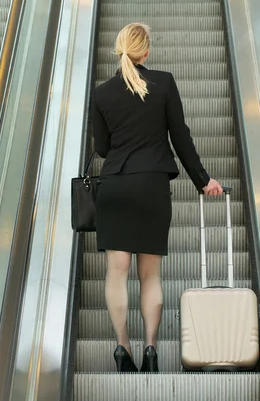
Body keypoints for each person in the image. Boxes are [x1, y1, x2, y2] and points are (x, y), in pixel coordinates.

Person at [91, 23, 224, 373]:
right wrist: (203, 180)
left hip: (116, 186)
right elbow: (180, 137)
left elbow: (102, 148)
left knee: (116, 273)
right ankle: (151, 348)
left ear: (120, 50)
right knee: (150, 275)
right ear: (146, 52)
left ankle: (123, 348)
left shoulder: (102, 94)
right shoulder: (164, 83)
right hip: (151, 186)